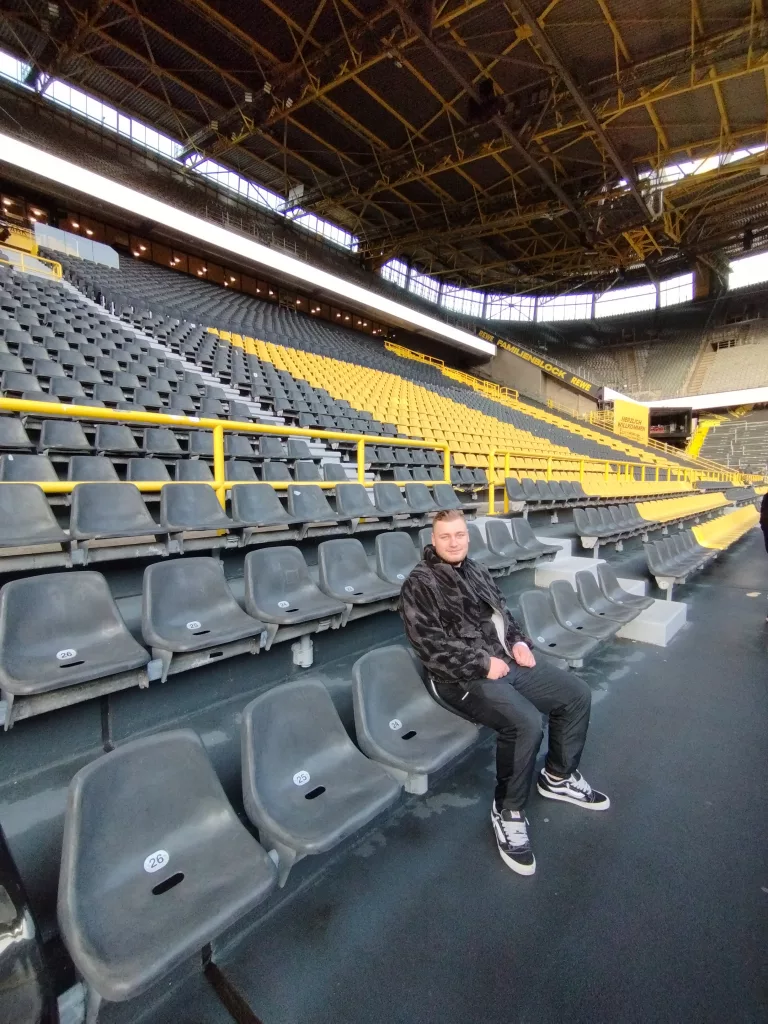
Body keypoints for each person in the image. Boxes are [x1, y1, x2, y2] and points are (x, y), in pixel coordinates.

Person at [399, 509, 609, 876]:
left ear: (467, 536)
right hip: (459, 678)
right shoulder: (420, 583)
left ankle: (558, 776)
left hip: (505, 663)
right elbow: (430, 646)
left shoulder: (477, 569)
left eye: (460, 535)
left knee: (576, 694)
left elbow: (504, 617)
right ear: (433, 540)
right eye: (445, 536)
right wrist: (482, 664)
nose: (454, 542)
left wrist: (518, 643)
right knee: (526, 723)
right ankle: (508, 810)